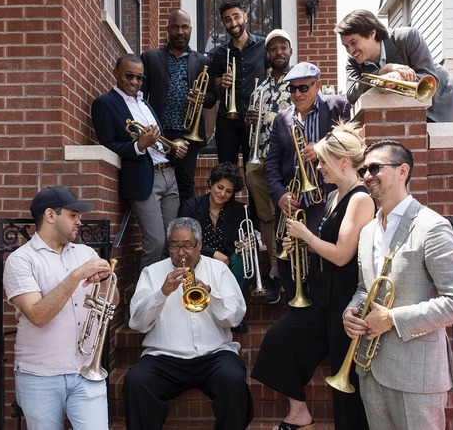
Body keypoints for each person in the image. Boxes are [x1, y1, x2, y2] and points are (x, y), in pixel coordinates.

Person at [342, 139, 453, 429]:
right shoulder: (367, 232)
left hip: (418, 376)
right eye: (363, 169)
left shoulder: (432, 226)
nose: (367, 175)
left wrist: (391, 319)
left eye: (375, 167)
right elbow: (365, 289)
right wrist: (352, 312)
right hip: (371, 369)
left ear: (403, 171)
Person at [252, 122, 374, 430]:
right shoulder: (334, 197)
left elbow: (342, 254)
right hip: (324, 291)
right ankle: (299, 413)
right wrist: (298, 246)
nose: (317, 167)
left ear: (343, 161)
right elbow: (325, 248)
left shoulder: (360, 199)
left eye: (322, 161)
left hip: (346, 294)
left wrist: (305, 235)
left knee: (347, 379)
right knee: (279, 339)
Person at [123, 217, 253, 429]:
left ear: (200, 244)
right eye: (175, 246)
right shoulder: (152, 272)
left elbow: (235, 317)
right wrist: (162, 293)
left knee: (233, 381)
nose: (181, 253)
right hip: (164, 357)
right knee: (136, 383)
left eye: (187, 245)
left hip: (214, 355)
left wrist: (211, 294)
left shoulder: (218, 270)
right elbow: (137, 322)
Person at [2, 186, 114, 430]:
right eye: (73, 215)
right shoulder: (21, 260)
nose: (79, 222)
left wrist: (105, 282)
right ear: (51, 216)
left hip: (86, 372)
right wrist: (76, 276)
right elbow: (38, 315)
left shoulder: (85, 252)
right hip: (39, 375)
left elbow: (109, 304)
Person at [264, 61, 351, 304]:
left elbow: (353, 144)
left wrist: (322, 149)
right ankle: (297, 304)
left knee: (316, 257)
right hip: (293, 203)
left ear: (317, 86)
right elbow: (271, 164)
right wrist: (280, 194)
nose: (297, 94)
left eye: (303, 88)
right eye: (292, 89)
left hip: (326, 199)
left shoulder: (337, 106)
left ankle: (318, 307)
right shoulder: (282, 119)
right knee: (287, 257)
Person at [93, 54, 187, 271]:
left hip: (168, 174)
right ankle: (145, 300)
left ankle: (165, 295)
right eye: (129, 76)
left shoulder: (144, 103)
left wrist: (174, 151)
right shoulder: (105, 104)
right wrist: (139, 146)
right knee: (156, 243)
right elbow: (107, 143)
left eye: (139, 78)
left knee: (171, 244)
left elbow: (158, 142)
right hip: (145, 178)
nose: (135, 82)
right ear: (116, 73)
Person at [336, 9, 453, 123]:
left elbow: (428, 76)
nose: (350, 51)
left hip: (445, 105)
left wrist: (398, 78)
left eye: (354, 42)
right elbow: (351, 94)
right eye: (346, 46)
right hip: (408, 118)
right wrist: (382, 72)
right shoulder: (352, 61)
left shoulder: (408, 37)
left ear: (372, 33)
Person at [141, 9, 216, 204]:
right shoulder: (150, 58)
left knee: (185, 184)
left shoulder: (203, 61)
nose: (180, 31)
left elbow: (211, 99)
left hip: (188, 134)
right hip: (160, 131)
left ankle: (185, 231)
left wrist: (200, 99)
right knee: (156, 181)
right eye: (175, 27)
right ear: (168, 30)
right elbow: (141, 97)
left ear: (190, 29)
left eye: (184, 27)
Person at [243, 28, 293, 292]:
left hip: (286, 159)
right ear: (268, 54)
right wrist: (251, 119)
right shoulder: (259, 87)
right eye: (273, 48)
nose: (279, 52)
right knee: (266, 214)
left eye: (283, 47)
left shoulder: (298, 82)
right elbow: (253, 126)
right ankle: (274, 263)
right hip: (259, 156)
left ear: (290, 51)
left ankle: (291, 266)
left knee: (285, 210)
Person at [178, 162, 249, 334]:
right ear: (211, 183)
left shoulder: (239, 210)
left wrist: (247, 245)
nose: (223, 194)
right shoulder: (192, 206)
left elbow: (244, 238)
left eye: (229, 191)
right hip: (198, 261)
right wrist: (212, 253)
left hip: (227, 265)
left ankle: (233, 313)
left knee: (246, 259)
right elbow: (183, 241)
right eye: (220, 187)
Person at [209, 0, 267, 165]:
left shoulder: (263, 46)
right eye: (228, 19)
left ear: (245, 17)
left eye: (236, 17)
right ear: (224, 23)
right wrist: (223, 85)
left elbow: (271, 82)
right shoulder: (220, 53)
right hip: (227, 122)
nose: (233, 23)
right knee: (227, 172)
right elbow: (218, 93)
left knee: (253, 173)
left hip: (254, 119)